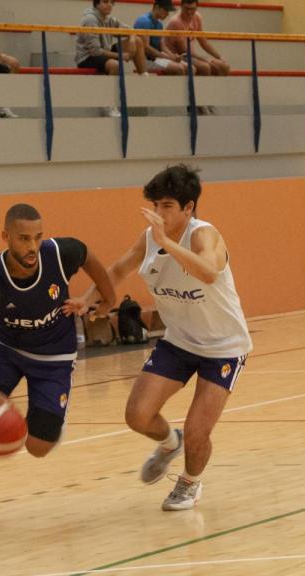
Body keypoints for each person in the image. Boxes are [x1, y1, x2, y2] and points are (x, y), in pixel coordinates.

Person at [0, 203, 116, 532]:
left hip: (55, 354)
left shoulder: (61, 253)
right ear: (6, 237)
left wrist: (95, 300)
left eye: (37, 238)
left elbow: (93, 262)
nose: (32, 247)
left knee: (38, 447)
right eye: (24, 239)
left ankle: (51, 424)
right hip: (6, 348)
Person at [83, 164, 251, 511]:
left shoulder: (205, 235)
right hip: (179, 341)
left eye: (167, 206)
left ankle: (189, 483)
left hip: (223, 347)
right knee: (137, 415)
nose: (158, 214)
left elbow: (207, 271)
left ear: (188, 208)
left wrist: (165, 244)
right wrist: (87, 300)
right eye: (155, 205)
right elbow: (117, 269)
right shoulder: (149, 238)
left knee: (197, 431)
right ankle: (167, 442)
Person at [165, 0, 230, 77]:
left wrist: (220, 57)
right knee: (205, 67)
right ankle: (200, 88)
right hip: (178, 56)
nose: (189, 12)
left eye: (192, 9)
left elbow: (204, 42)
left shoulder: (197, 17)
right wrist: (207, 60)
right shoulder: (176, 22)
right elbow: (184, 50)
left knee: (224, 67)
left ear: (197, 8)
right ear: (181, 7)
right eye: (186, 9)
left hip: (191, 56)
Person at [134, 0, 187, 76]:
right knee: (179, 69)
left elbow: (162, 46)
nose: (167, 14)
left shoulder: (159, 25)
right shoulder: (143, 21)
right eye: (166, 10)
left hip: (156, 59)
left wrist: (173, 57)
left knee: (189, 68)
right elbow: (146, 48)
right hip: (144, 61)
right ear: (157, 7)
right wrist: (167, 57)